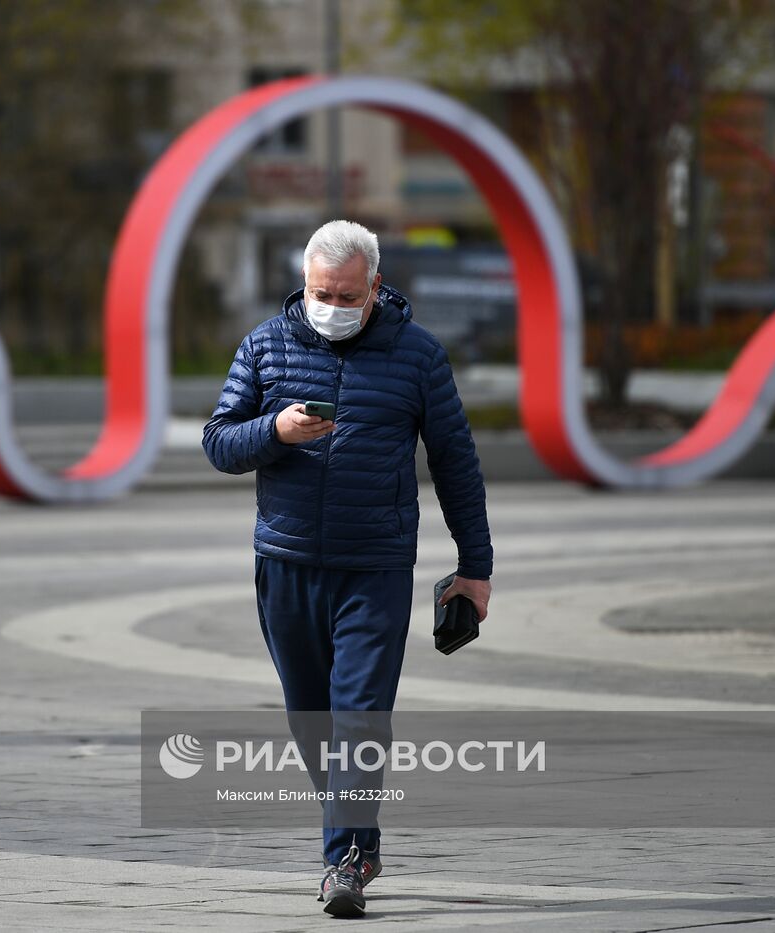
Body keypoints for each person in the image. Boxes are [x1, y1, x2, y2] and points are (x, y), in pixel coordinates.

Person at [202, 220, 493, 918]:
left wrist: (474, 567)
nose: (328, 303)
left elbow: (456, 461)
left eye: (344, 293)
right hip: (287, 563)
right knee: (313, 722)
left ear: (375, 289)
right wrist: (274, 431)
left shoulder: (418, 356)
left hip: (375, 567)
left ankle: (342, 864)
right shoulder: (264, 346)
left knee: (358, 717)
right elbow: (217, 442)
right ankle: (360, 840)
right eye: (317, 291)